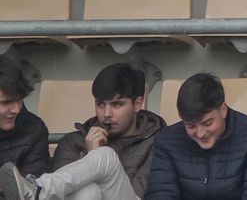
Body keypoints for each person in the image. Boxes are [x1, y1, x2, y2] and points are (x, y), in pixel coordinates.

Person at [9, 63, 165, 200]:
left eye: (117, 105)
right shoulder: (74, 142)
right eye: (100, 104)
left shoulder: (160, 141)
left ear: (137, 104)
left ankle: (37, 190)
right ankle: (37, 192)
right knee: (88, 192)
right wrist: (91, 158)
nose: (107, 114)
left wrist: (95, 158)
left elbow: (145, 192)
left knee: (105, 156)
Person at [143, 73, 247, 200]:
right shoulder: (167, 141)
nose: (201, 133)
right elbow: (161, 193)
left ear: (223, 109)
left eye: (207, 123)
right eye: (191, 126)